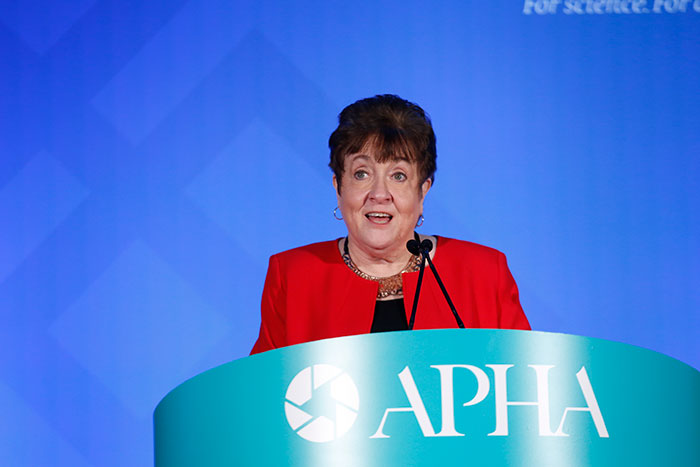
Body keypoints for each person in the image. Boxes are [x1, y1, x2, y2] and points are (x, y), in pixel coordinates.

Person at [251, 95, 529, 354]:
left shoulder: (482, 272)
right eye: (362, 174)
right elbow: (261, 393)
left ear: (423, 191)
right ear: (339, 187)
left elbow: (525, 385)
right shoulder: (293, 275)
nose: (379, 194)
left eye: (398, 175)